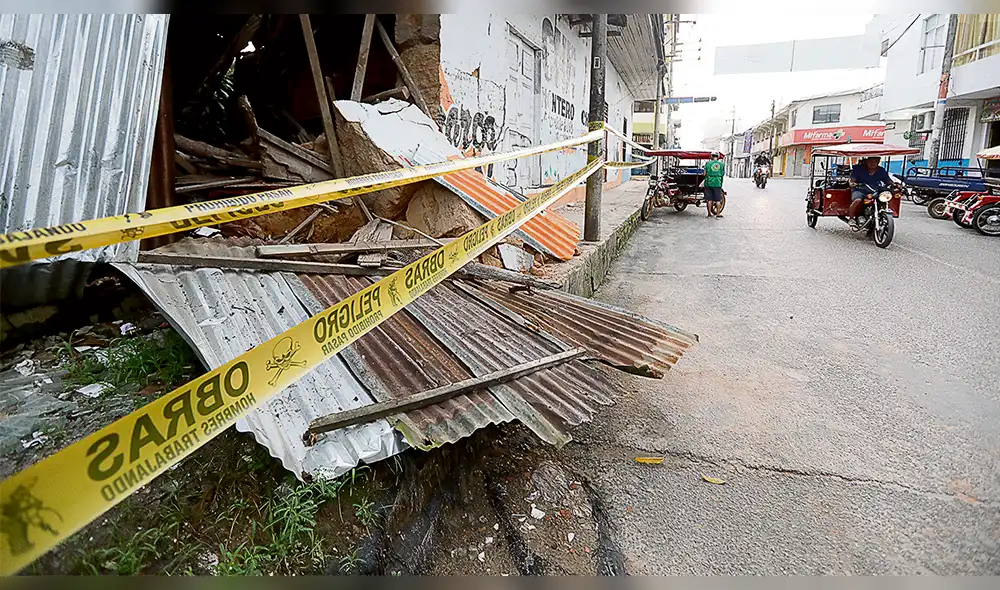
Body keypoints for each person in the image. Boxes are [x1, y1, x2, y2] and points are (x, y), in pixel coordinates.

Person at [848, 156, 893, 226]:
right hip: (860, 189)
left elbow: (888, 181)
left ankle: (880, 214)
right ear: (867, 161)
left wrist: (895, 185)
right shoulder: (858, 169)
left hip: (875, 190)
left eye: (876, 162)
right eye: (871, 161)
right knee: (857, 200)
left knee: (883, 199)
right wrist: (852, 183)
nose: (873, 163)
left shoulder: (881, 170)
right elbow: (852, 180)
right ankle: (851, 219)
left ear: (878, 162)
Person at [703, 152, 725, 218]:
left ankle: (709, 213)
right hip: (718, 183)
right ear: (718, 157)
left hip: (709, 182)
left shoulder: (708, 164)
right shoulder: (722, 164)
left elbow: (704, 174)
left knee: (709, 200)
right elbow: (722, 174)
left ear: (711, 157)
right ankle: (718, 214)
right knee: (718, 200)